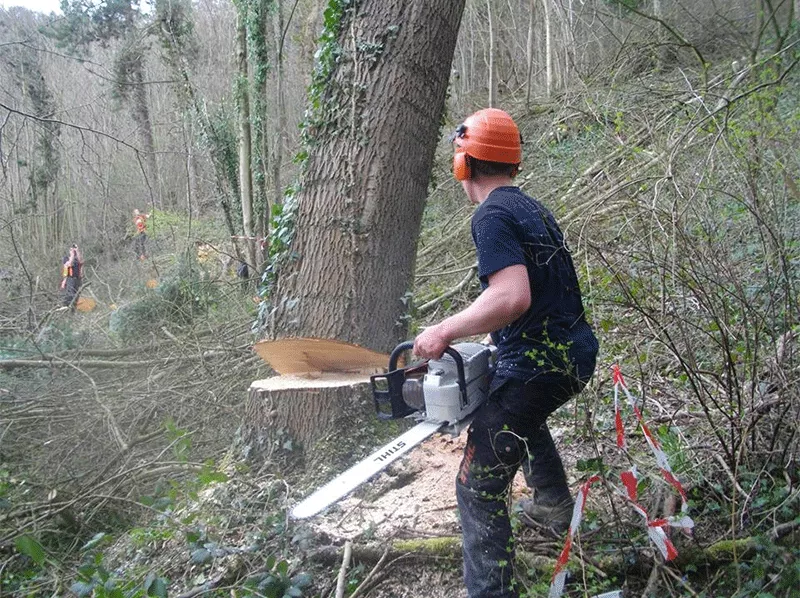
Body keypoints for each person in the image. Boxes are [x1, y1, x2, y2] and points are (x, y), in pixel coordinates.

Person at [413, 108, 599, 598]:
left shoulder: (491, 214)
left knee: (477, 486)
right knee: (516, 404)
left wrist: (444, 331)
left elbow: (512, 295)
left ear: (465, 164)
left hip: (538, 365)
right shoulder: (533, 208)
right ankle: (554, 502)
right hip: (571, 355)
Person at [60, 244, 83, 309]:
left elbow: (81, 261)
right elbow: (69, 264)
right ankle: (67, 307)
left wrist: (77, 251)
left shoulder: (77, 258)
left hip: (78, 279)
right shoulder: (66, 258)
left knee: (77, 295)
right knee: (70, 294)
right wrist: (72, 254)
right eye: (71, 249)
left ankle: (73, 309)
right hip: (69, 279)